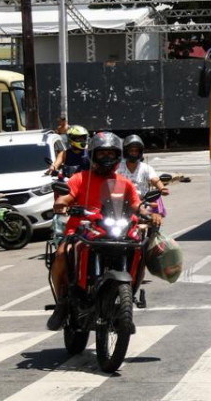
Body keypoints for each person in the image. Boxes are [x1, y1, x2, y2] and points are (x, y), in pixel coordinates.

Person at [47, 132, 161, 331]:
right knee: (60, 255)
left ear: (118, 156)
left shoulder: (123, 182)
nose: (107, 158)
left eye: (111, 154)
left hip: (114, 230)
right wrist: (62, 204)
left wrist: (149, 213)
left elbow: (136, 205)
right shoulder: (80, 178)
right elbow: (65, 198)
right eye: (102, 154)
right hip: (82, 230)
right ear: (93, 155)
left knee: (139, 251)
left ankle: (128, 300)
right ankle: (62, 304)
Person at [116, 134, 169, 213]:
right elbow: (110, 180)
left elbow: (155, 179)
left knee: (151, 220)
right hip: (121, 204)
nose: (133, 153)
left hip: (143, 203)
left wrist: (162, 188)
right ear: (126, 151)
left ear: (140, 152)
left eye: (136, 151)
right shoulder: (118, 167)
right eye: (131, 151)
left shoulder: (145, 167)